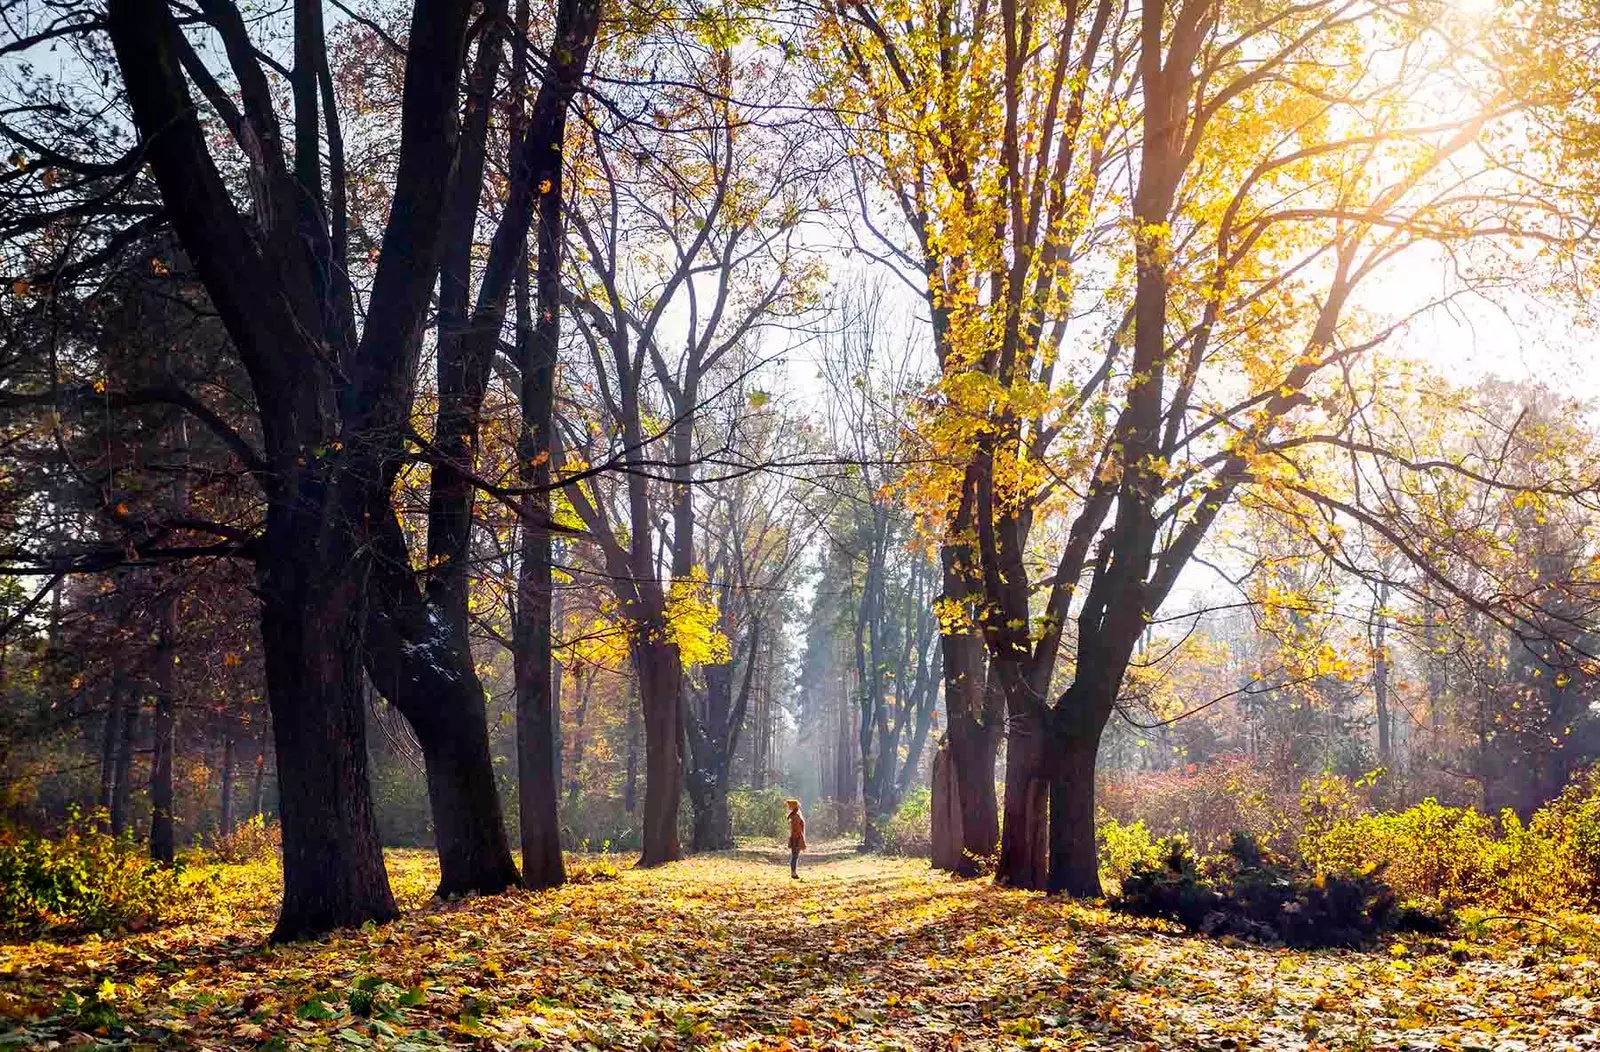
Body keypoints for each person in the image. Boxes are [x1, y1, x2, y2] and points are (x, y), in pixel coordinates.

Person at [786, 798, 806, 879]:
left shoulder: (795, 815)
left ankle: (794, 872)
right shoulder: (796, 816)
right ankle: (793, 873)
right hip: (796, 838)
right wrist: (797, 839)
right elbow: (796, 829)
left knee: (795, 856)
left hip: (796, 837)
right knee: (795, 856)